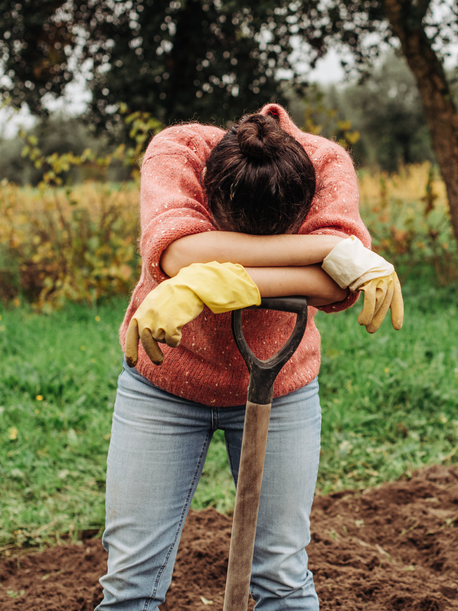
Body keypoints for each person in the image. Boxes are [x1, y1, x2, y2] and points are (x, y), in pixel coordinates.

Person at [96, 103, 403, 611]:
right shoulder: (178, 153)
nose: (253, 248)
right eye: (236, 238)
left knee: (282, 577)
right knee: (130, 580)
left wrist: (219, 273)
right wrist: (325, 252)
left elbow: (336, 290)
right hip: (165, 384)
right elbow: (176, 253)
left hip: (281, 387)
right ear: (211, 191)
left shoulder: (325, 165)